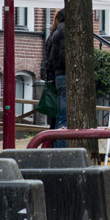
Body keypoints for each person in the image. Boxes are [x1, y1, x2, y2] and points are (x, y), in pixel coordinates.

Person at [42, 8, 66, 139]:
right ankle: (59, 145)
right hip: (61, 76)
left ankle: (54, 143)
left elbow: (50, 60)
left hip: (56, 77)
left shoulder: (53, 34)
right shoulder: (63, 32)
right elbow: (58, 58)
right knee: (62, 116)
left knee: (57, 116)